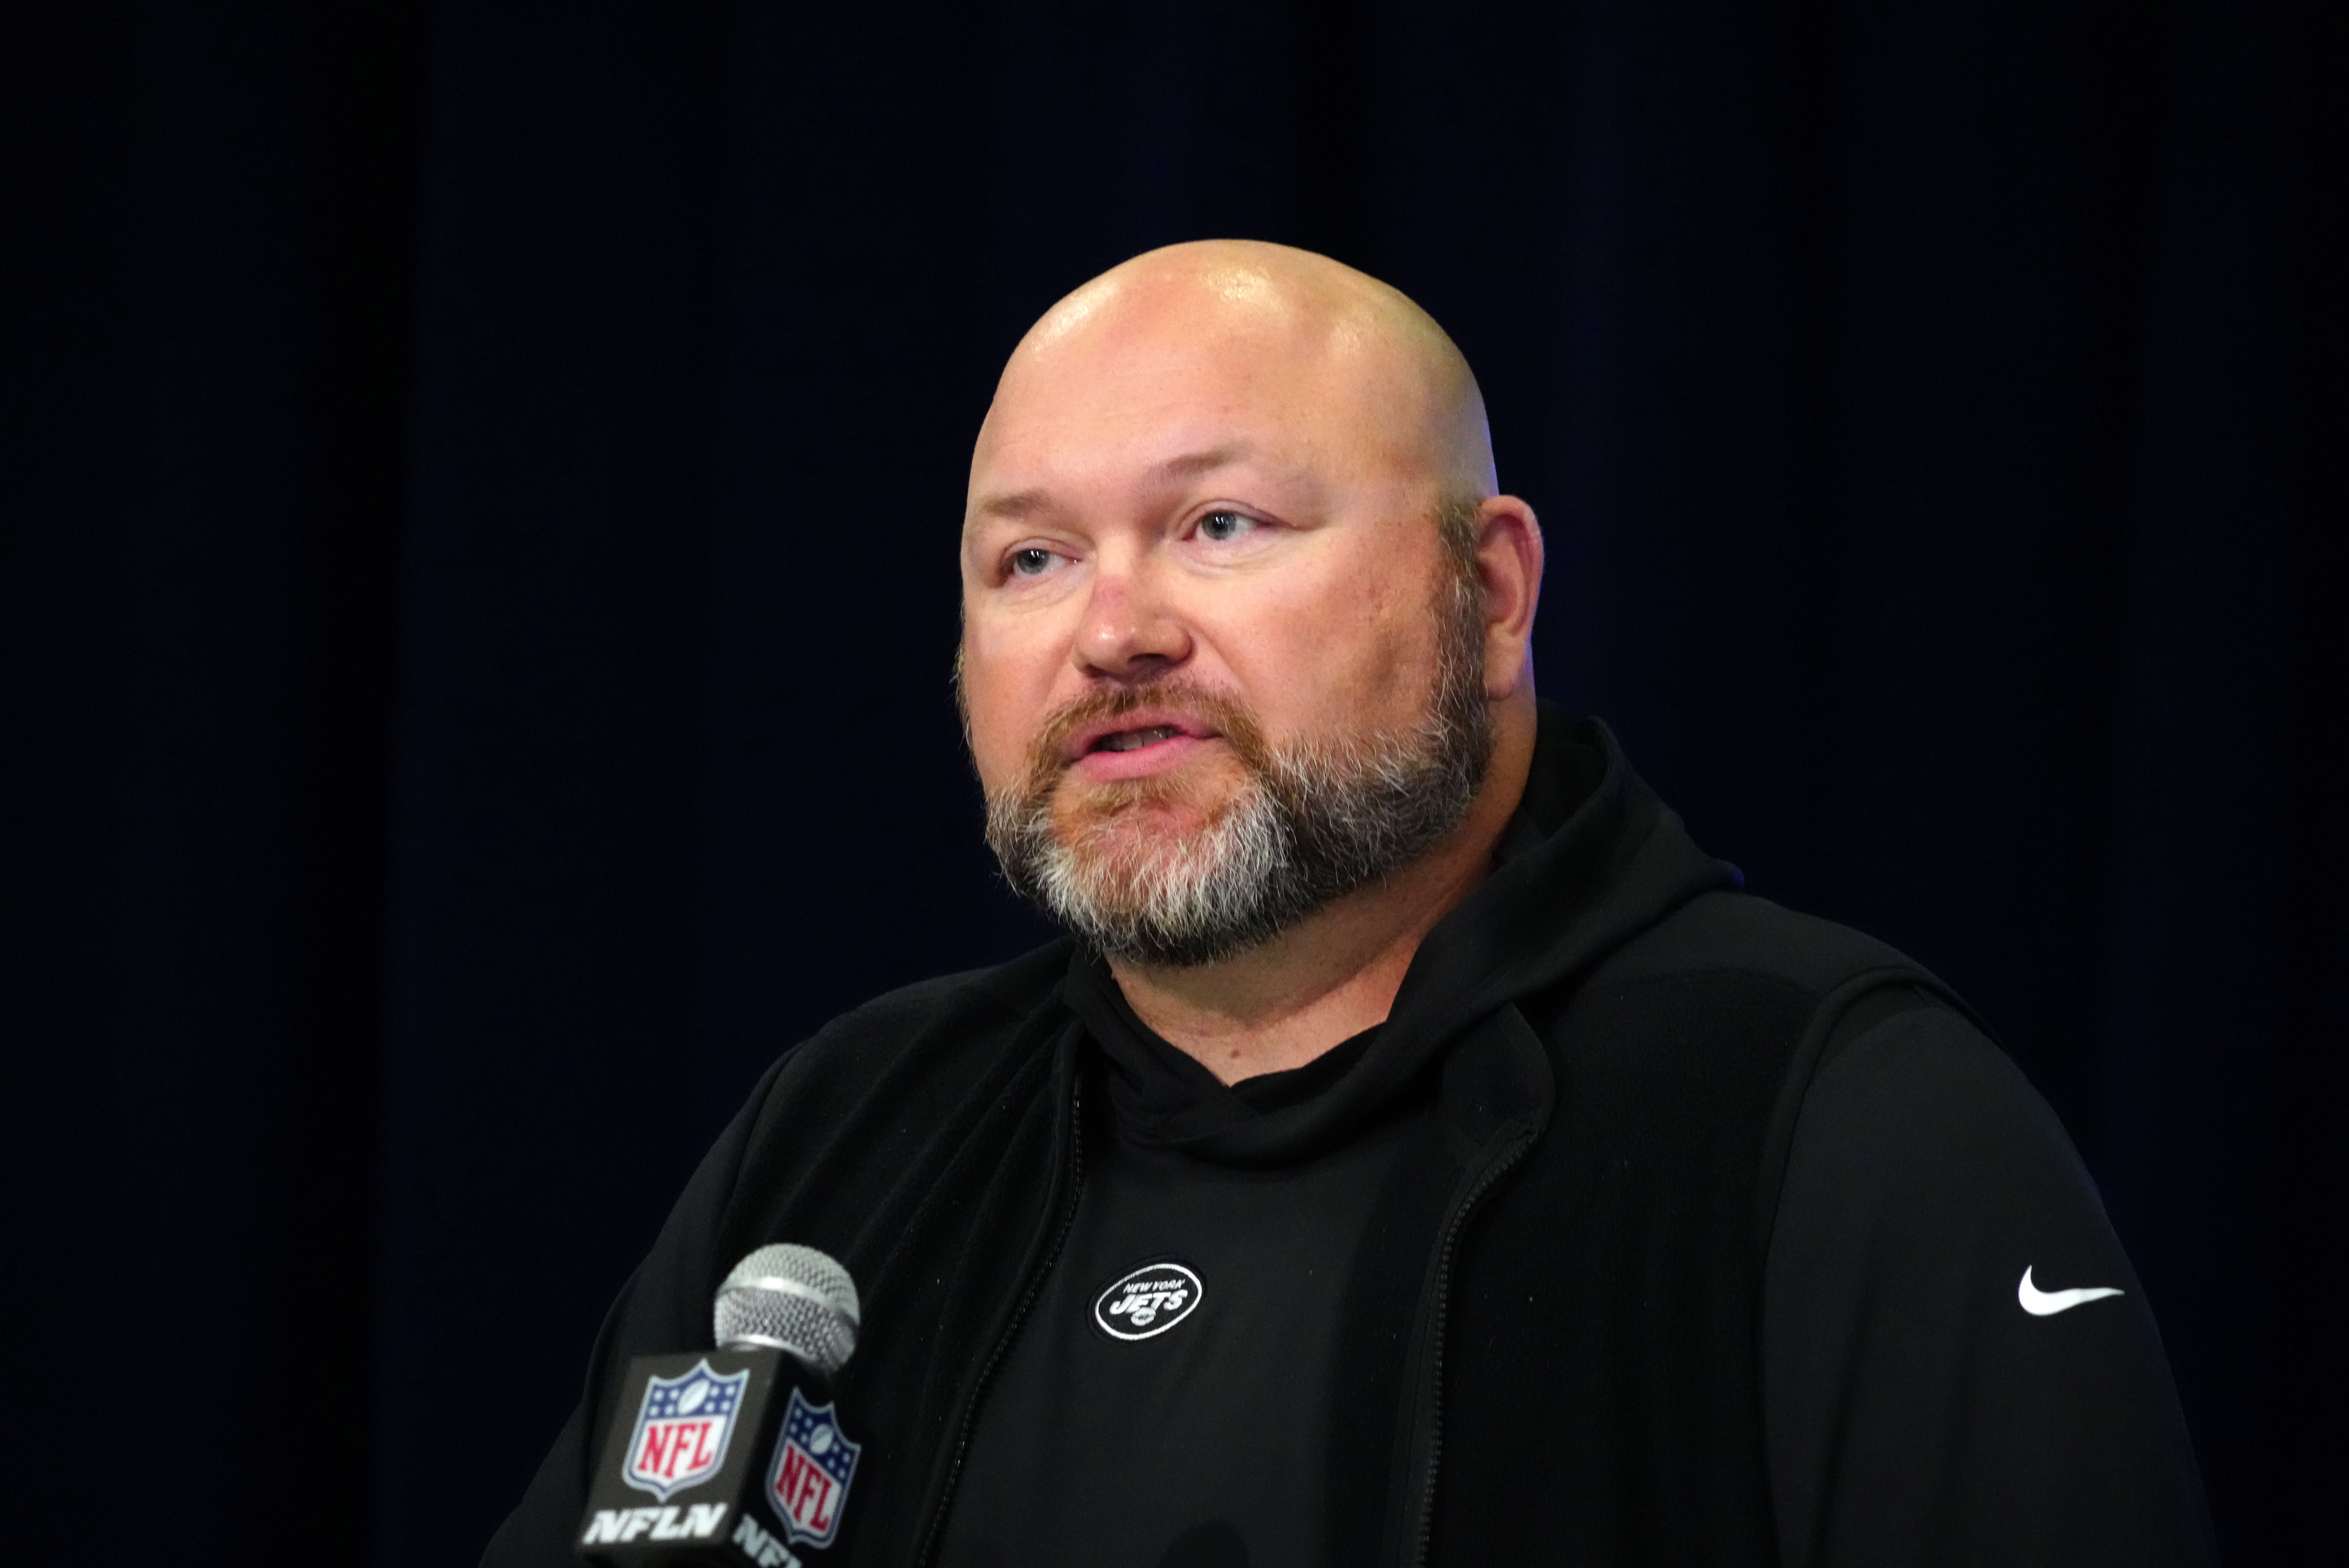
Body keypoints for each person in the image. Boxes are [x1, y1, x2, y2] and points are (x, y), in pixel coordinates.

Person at [485, 241, 2211, 1567]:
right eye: (1031, 559)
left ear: (1491, 590)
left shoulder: (1833, 1119)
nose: (1116, 630)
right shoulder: (849, 1142)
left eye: (1220, 524)